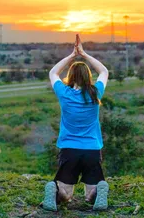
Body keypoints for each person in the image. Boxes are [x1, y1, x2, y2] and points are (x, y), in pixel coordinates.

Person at [42, 34, 109, 211]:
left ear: (71, 76)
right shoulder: (95, 93)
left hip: (69, 150)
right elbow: (104, 72)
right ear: (88, 77)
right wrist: (84, 54)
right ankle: (97, 192)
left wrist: (72, 55)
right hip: (91, 150)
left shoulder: (64, 93)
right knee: (89, 194)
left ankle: (56, 191)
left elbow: (53, 72)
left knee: (66, 194)